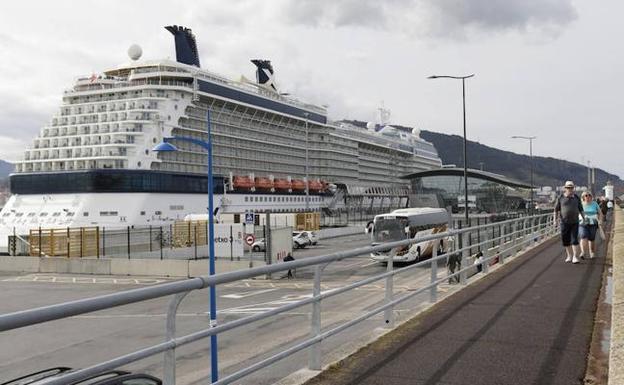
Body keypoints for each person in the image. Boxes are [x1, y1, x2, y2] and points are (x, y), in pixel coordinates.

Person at [554, 181, 585, 264]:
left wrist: (584, 218)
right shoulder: (560, 197)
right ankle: (569, 255)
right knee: (566, 240)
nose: (570, 189)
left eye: (571, 187)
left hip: (575, 222)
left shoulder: (576, 197)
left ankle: (575, 256)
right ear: (565, 188)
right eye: (568, 187)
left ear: (573, 188)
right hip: (564, 222)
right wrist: (555, 221)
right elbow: (556, 210)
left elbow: (581, 209)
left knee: (574, 239)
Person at [579, 191, 603, 259]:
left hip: (593, 223)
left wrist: (600, 220)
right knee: (583, 236)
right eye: (586, 195)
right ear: (583, 197)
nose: (588, 197)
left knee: (591, 238)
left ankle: (591, 252)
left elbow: (600, 213)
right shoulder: (580, 204)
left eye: (589, 195)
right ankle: (583, 252)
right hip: (582, 223)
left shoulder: (594, 203)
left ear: (591, 196)